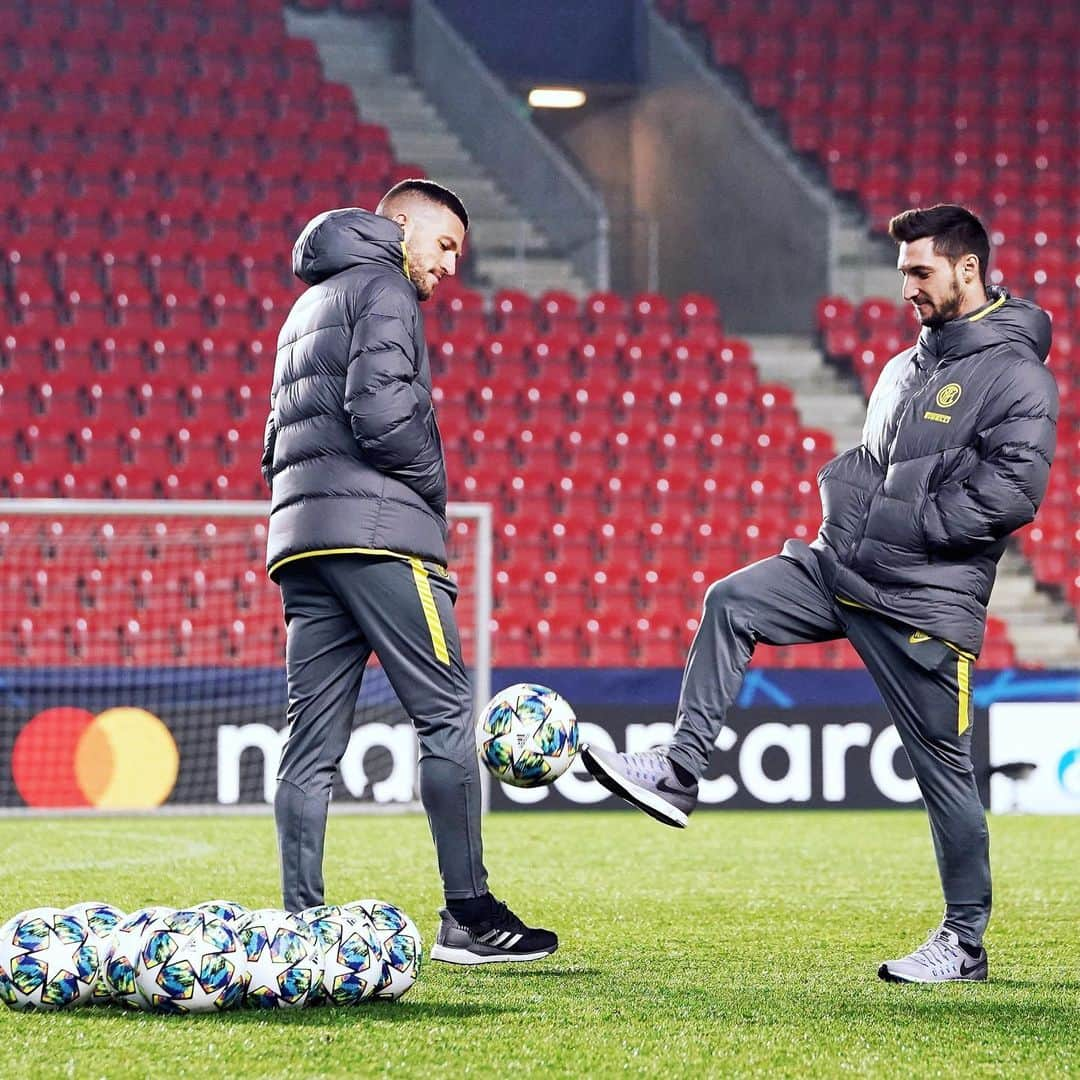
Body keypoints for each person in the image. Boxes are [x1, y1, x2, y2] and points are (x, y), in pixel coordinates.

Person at [583, 204, 1058, 983]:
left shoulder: (1015, 374)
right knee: (731, 600)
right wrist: (851, 496)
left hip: (921, 600)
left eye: (920, 271)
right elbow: (879, 461)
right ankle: (679, 768)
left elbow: (1013, 491)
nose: (905, 286)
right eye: (903, 270)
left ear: (968, 270)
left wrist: (908, 523)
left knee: (944, 774)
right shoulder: (906, 365)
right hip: (839, 567)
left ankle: (964, 943)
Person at [261, 179, 557, 964]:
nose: (451, 266)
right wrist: (432, 484)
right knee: (447, 713)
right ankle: (469, 915)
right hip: (382, 537)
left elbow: (273, 439)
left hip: (303, 540)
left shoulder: (307, 305)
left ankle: (301, 924)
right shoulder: (384, 284)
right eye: (447, 245)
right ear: (399, 226)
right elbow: (382, 414)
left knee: (309, 743)